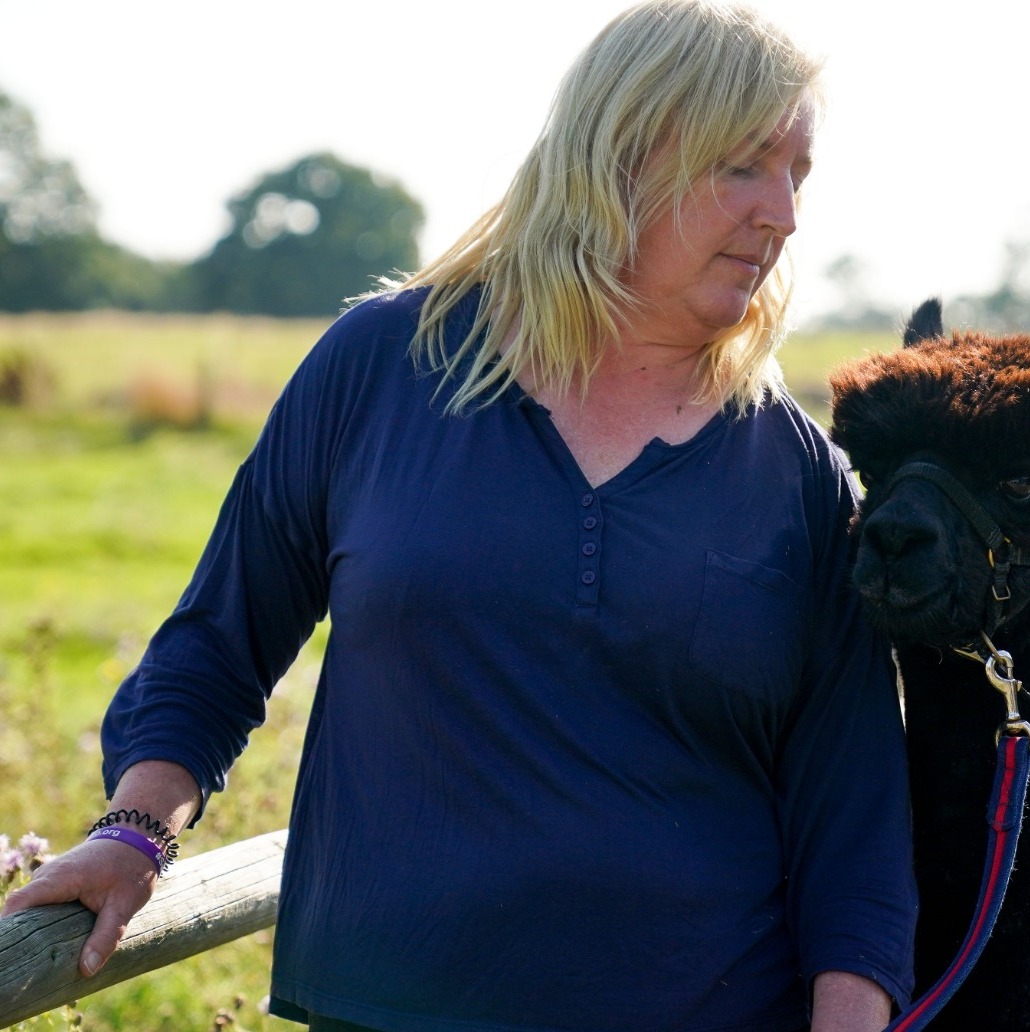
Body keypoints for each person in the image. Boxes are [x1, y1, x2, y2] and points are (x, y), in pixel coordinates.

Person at [0, 2, 918, 1030]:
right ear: (621, 151)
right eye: (747, 165)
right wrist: (132, 832)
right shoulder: (381, 370)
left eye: (800, 173)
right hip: (385, 1006)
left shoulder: (794, 472)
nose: (785, 213)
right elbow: (218, 645)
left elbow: (855, 820)